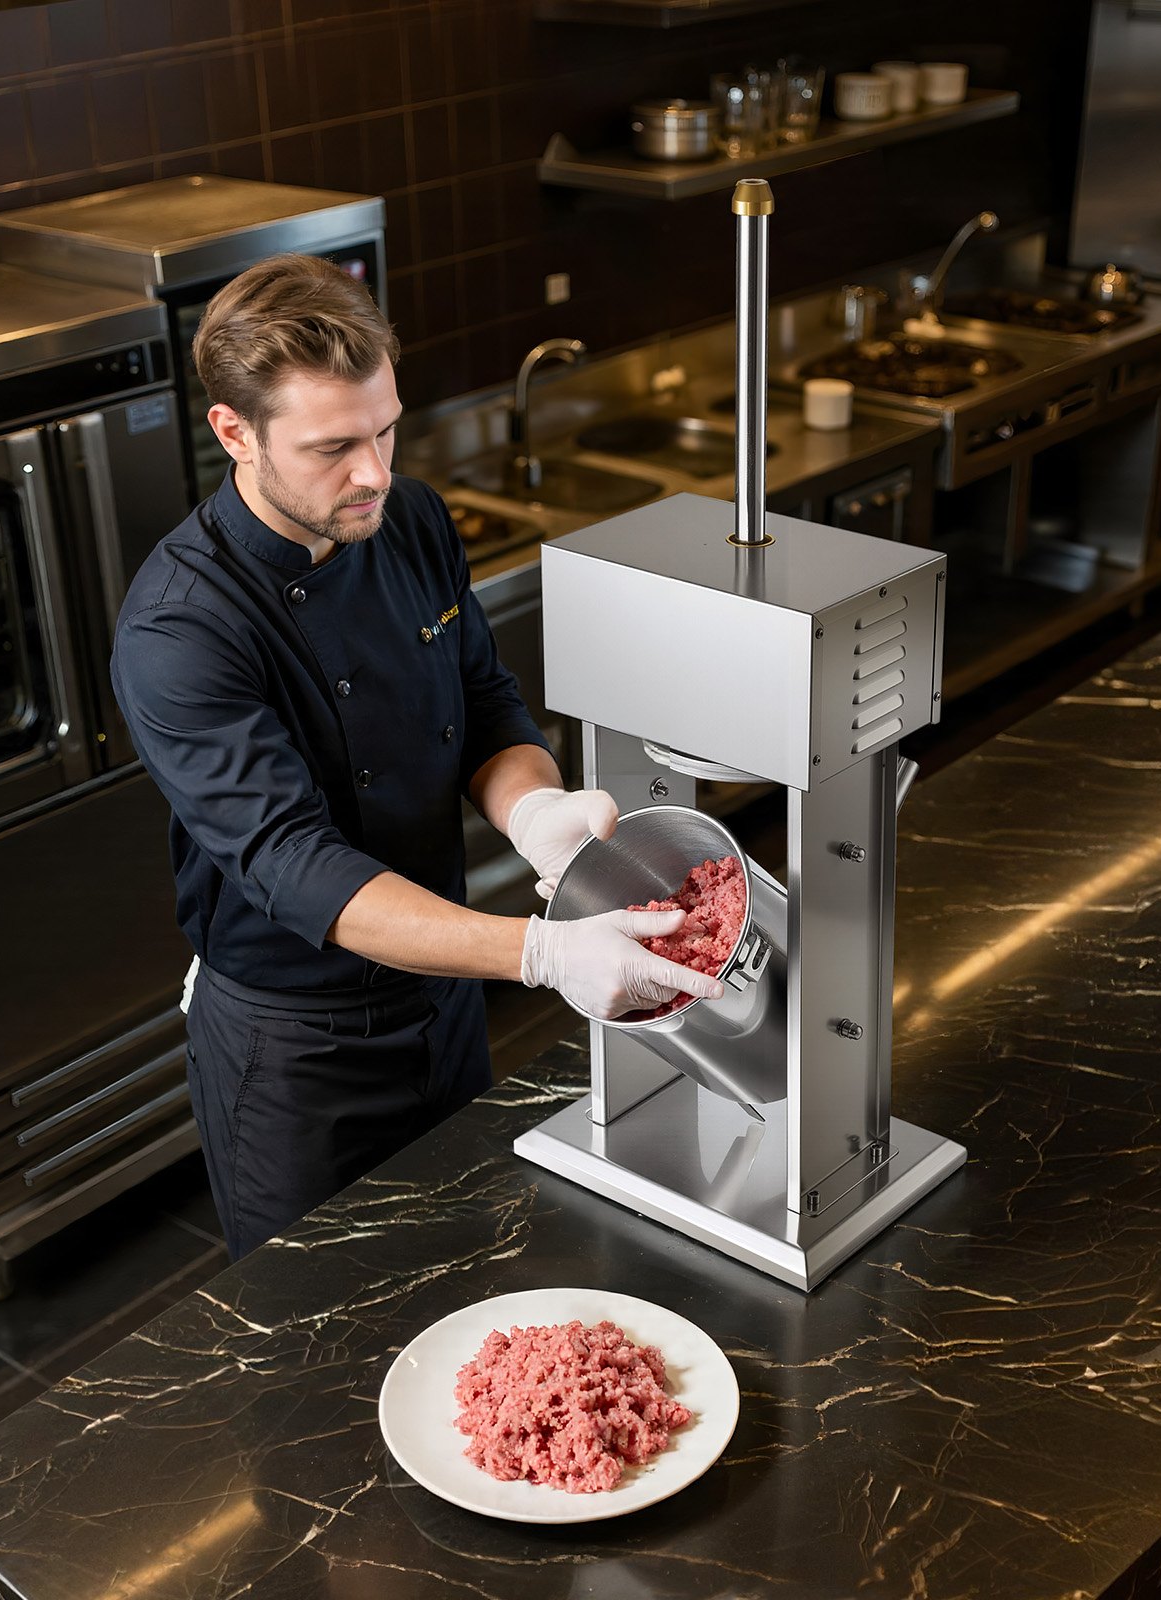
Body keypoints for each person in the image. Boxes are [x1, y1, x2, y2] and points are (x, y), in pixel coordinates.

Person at [111, 253, 721, 1259]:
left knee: (468, 1271)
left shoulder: (410, 522)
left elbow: (481, 700)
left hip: (441, 998)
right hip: (296, 1049)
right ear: (234, 433)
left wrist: (536, 810)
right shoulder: (181, 630)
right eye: (334, 447)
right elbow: (298, 866)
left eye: (387, 429)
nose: (375, 474)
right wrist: (543, 952)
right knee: (321, 1341)